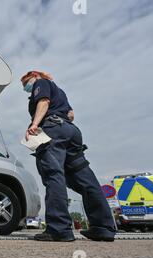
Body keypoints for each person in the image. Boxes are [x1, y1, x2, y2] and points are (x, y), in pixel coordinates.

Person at [21, 71, 116, 242]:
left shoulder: (40, 83)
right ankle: (103, 228)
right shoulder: (60, 91)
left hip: (52, 129)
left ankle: (59, 228)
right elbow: (71, 115)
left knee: (53, 174)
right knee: (85, 179)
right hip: (71, 131)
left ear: (34, 75)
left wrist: (35, 125)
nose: (25, 87)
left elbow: (43, 102)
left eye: (26, 83)